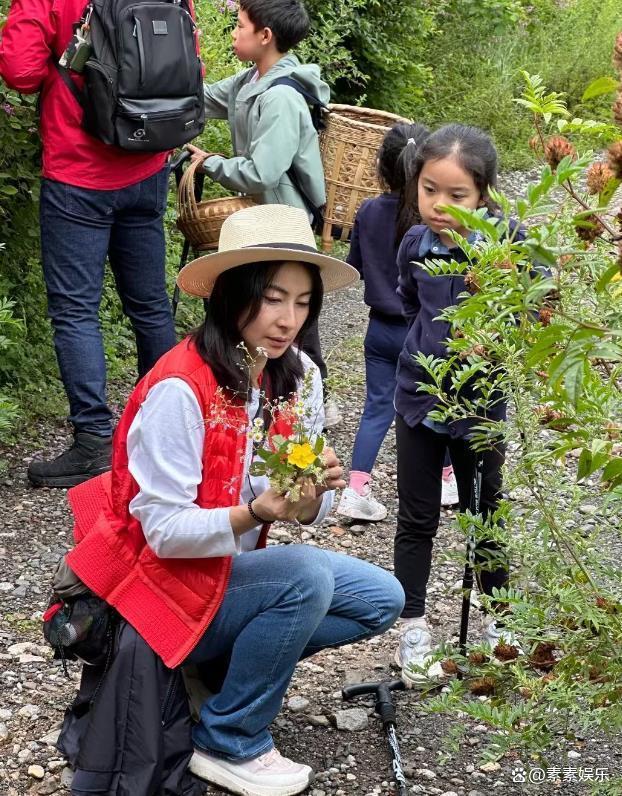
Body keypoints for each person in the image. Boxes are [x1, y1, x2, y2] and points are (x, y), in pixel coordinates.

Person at [61, 204, 405, 796]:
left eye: (303, 302)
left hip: (225, 574)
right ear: (230, 294)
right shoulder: (180, 387)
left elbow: (302, 507)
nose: (287, 320)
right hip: (155, 584)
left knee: (380, 599)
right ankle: (229, 737)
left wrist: (309, 497)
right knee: (304, 577)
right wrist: (254, 514)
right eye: (271, 298)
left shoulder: (296, 374)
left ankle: (215, 674)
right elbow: (162, 532)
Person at [0, 0, 179, 488]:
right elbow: (186, 63)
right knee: (149, 305)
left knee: (77, 311)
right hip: (148, 159)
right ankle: (167, 430)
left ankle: (94, 440)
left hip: (78, 171)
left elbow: (19, 70)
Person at [392, 125, 519, 686]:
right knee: (416, 515)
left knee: (485, 512)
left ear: (484, 194)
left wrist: (493, 340)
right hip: (419, 394)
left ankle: (500, 623)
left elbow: (532, 311)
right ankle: (413, 628)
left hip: (481, 403)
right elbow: (409, 302)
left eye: (457, 195)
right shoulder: (414, 245)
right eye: (429, 190)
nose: (439, 205)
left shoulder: (508, 245)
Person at [188, 0, 341, 427]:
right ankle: (253, 399)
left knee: (291, 312)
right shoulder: (250, 81)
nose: (234, 33)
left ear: (265, 36)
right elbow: (202, 98)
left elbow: (262, 172)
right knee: (258, 307)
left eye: (240, 25)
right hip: (262, 218)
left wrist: (211, 163)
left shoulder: (281, 98)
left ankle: (315, 403)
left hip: (286, 221)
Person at [336, 122, 430, 522]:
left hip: (378, 330)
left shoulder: (369, 210)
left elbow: (354, 266)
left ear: (380, 167)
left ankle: (356, 489)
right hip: (422, 330)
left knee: (377, 407)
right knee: (434, 403)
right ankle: (445, 479)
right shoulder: (430, 221)